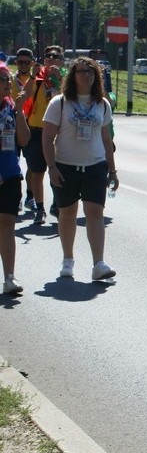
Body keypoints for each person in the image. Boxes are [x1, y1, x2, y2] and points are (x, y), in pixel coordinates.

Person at [42, 56, 118, 281]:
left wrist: (112, 171)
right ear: (72, 76)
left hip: (95, 166)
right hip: (65, 166)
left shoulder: (102, 104)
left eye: (91, 72)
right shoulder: (60, 103)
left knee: (95, 213)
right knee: (67, 213)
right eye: (81, 71)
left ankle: (99, 264)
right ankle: (68, 260)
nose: (86, 75)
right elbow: (47, 138)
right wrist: (52, 167)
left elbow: (106, 139)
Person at [22, 45, 66, 224]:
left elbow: (70, 98)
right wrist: (33, 75)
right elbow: (25, 95)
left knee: (58, 172)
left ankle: (57, 204)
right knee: (37, 172)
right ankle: (39, 209)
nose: (52, 59)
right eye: (48, 56)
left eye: (56, 57)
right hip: (36, 131)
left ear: (61, 61)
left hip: (58, 134)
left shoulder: (66, 79)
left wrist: (60, 79)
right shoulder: (38, 78)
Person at [0, 63, 31, 293]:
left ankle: (9, 278)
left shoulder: (11, 108)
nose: (7, 84)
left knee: (8, 225)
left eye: (8, 79)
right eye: (2, 79)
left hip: (10, 175)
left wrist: (20, 111)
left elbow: (23, 140)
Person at [10, 48, 36, 212]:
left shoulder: (37, 79)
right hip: (12, 125)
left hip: (32, 125)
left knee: (33, 165)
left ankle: (30, 195)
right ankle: (17, 197)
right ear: (16, 62)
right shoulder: (9, 80)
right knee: (14, 164)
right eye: (21, 62)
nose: (24, 65)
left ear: (32, 63)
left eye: (27, 62)